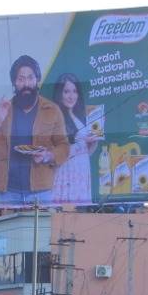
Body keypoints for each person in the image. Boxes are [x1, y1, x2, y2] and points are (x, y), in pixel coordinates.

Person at [0, 54, 69, 208]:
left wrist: (47, 155)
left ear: (37, 80)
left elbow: (64, 147)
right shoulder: (4, 109)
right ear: (14, 83)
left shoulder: (52, 110)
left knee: (41, 232)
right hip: (7, 191)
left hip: (40, 191)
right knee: (9, 232)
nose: (26, 84)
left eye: (30, 78)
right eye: (21, 79)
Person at [50, 73, 101, 204]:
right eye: (66, 91)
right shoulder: (55, 118)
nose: (71, 96)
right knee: (65, 213)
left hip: (82, 171)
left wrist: (93, 141)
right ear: (59, 93)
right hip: (66, 172)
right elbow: (54, 154)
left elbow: (87, 152)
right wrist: (81, 144)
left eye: (74, 91)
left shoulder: (81, 118)